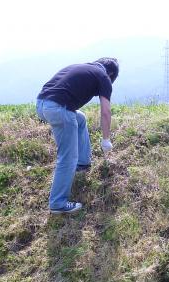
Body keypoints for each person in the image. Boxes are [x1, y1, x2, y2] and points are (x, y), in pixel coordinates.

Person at [36, 58, 119, 214]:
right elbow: (106, 111)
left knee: (79, 119)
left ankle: (83, 162)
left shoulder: (82, 67)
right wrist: (106, 139)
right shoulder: (103, 77)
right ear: (111, 73)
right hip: (58, 109)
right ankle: (58, 203)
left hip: (41, 104)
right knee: (67, 157)